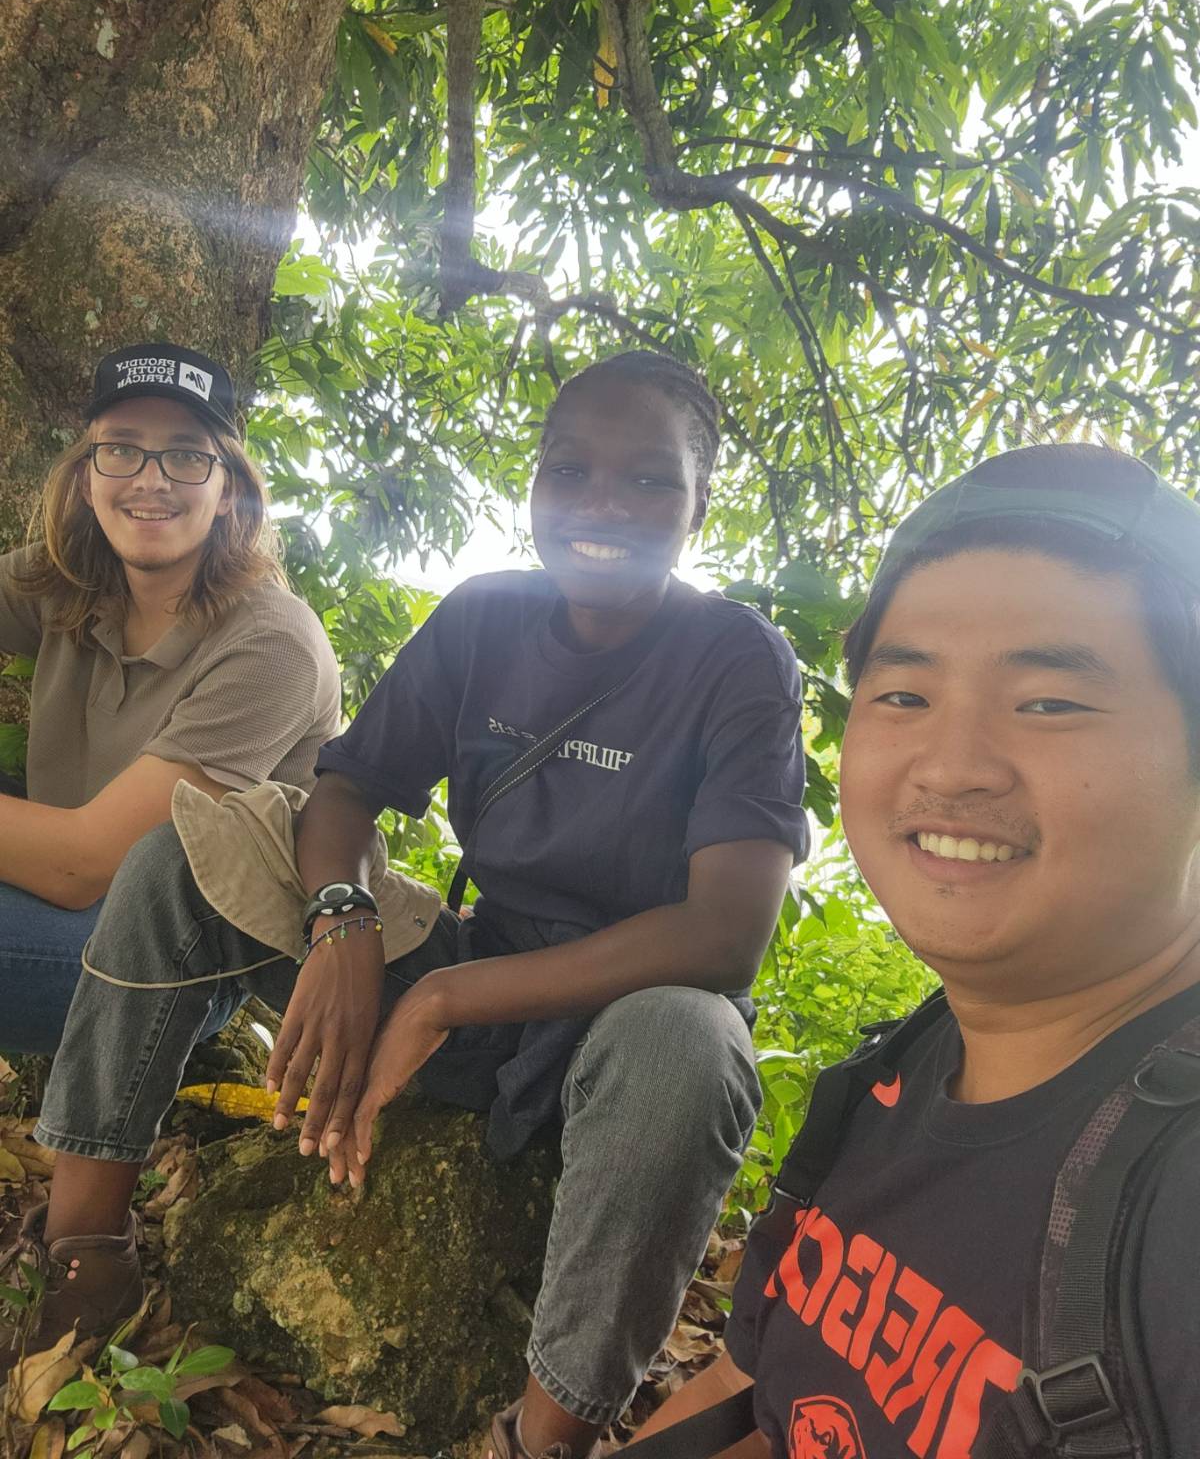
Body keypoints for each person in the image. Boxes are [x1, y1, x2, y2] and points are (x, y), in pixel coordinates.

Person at [2, 350, 809, 1454]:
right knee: (185, 847)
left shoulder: (737, 659)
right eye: (569, 470)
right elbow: (344, 789)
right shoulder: (486, 619)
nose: (600, 505)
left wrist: (441, 1000)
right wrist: (343, 915)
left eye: (647, 480)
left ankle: (545, 1431)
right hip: (480, 963)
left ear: (698, 502)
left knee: (691, 1038)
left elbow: (725, 934)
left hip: (624, 1024)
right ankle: (85, 1252)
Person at [632, 442, 1200, 1459]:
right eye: (903, 696)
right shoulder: (887, 1082)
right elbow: (749, 1386)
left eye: (1050, 702)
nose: (952, 765)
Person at [0, 343, 341, 1055]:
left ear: (228, 490)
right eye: (121, 449)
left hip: (174, 957)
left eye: (186, 455)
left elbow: (81, 864)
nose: (149, 480)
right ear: (87, 478)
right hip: (59, 877)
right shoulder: (71, 579)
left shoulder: (272, 642)